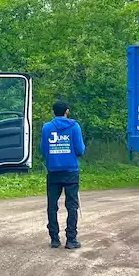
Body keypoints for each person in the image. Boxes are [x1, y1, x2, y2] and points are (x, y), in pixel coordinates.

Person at [40, 99, 85, 249]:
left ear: (54, 111)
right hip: (71, 171)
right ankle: (71, 239)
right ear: (67, 111)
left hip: (53, 171)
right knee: (72, 206)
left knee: (52, 205)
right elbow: (80, 150)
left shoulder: (47, 128)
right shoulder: (74, 127)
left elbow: (43, 150)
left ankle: (54, 239)